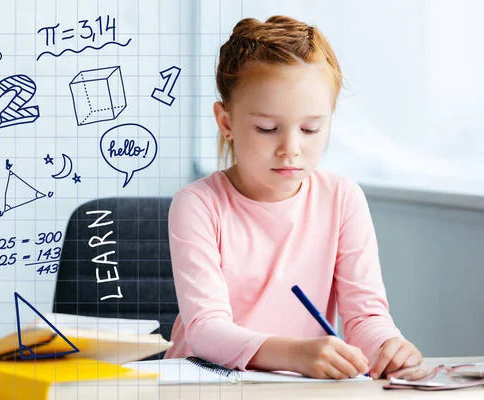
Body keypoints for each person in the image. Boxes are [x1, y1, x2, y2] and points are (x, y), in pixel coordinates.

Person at [163, 15, 423, 380]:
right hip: (204, 383)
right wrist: (295, 353)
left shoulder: (342, 199)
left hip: (298, 386)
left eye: (310, 128)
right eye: (267, 128)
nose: (291, 149)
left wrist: (388, 347)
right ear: (226, 122)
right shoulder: (197, 205)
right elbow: (206, 330)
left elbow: (366, 316)